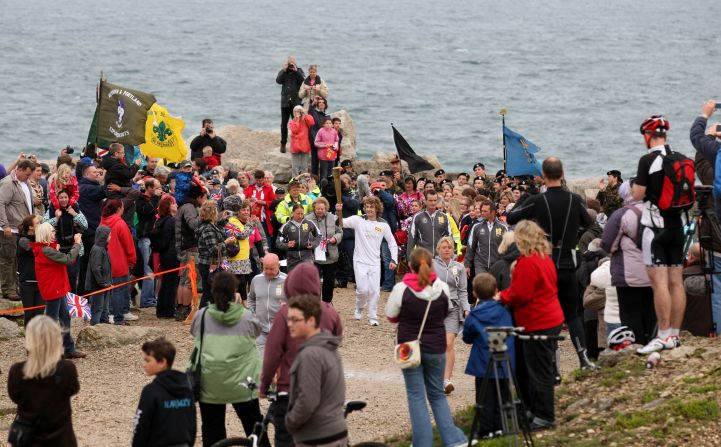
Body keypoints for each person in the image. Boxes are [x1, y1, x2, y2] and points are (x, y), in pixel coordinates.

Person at [507, 157, 597, 369]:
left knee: (547, 312)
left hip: (544, 263)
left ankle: (551, 364)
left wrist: (525, 197)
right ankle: (583, 359)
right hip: (568, 262)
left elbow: (511, 218)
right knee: (572, 314)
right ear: (562, 174)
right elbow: (590, 222)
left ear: (543, 177)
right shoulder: (575, 200)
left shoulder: (538, 200)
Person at [386, 247, 467, 447]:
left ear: (410, 266)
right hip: (436, 345)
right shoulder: (441, 287)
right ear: (431, 265)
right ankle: (454, 440)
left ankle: (422, 443)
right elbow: (445, 311)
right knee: (437, 395)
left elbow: (391, 316)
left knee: (415, 395)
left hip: (407, 346)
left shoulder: (401, 289)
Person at [260, 263, 343, 447]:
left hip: (291, 388)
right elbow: (337, 339)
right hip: (324, 388)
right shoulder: (329, 311)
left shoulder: (285, 313)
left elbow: (272, 353)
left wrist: (264, 385)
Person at [498, 220, 565, 431]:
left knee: (540, 370)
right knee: (541, 367)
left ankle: (544, 415)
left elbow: (521, 293)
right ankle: (537, 411)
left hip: (539, 320)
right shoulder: (544, 258)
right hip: (549, 316)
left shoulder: (528, 261)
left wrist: (501, 296)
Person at [190, 271, 269, 447]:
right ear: (235, 291)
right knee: (254, 424)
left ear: (212, 290)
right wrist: (240, 306)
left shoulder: (202, 315)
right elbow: (256, 332)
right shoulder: (246, 315)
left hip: (211, 380)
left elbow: (194, 332)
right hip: (242, 379)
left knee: (212, 427)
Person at [633, 115, 687, 354]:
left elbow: (637, 195)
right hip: (679, 227)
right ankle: (675, 334)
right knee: (677, 282)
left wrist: (637, 183)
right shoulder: (680, 158)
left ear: (648, 136)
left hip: (655, 229)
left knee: (660, 284)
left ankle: (662, 334)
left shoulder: (648, 160)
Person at [285, 294, 348, 447]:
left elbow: (308, 400)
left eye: (295, 319)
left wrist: (290, 421)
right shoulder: (328, 345)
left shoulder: (310, 354)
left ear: (311, 320)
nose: (289, 324)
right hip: (335, 430)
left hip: (318, 436)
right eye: (289, 319)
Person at [8, 316, 80, 446]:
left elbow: (15, 397)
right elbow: (73, 389)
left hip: (28, 438)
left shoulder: (17, 371)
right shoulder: (67, 369)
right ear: (56, 338)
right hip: (62, 439)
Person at [600, 181, 656, 345]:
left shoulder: (622, 214)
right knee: (652, 314)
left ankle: (636, 352)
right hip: (654, 273)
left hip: (628, 276)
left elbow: (607, 244)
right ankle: (654, 347)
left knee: (630, 317)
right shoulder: (657, 211)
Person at [462, 273, 514, 438]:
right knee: (503, 395)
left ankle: (486, 429)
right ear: (496, 291)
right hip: (504, 359)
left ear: (475, 294)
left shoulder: (474, 315)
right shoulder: (505, 312)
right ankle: (501, 426)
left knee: (484, 397)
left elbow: (467, 337)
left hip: (483, 361)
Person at [30, 222, 86, 358]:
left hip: (57, 288)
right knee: (51, 321)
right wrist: (77, 244)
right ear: (46, 234)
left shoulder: (47, 248)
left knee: (64, 318)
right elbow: (68, 259)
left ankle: (68, 349)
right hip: (53, 289)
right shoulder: (46, 250)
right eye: (52, 231)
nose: (55, 233)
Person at [689, 99, 721, 334]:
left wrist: (706, 120)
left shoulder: (716, 154)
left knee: (718, 288)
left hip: (718, 239)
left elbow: (696, 137)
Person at [342, 196, 398, 326]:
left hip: (374, 263)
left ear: (377, 208)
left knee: (374, 291)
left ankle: (372, 316)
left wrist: (394, 259)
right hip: (360, 261)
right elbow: (341, 223)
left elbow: (392, 243)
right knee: (362, 290)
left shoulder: (383, 224)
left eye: (372, 207)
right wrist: (339, 211)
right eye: (367, 207)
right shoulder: (358, 220)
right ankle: (360, 307)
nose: (369, 209)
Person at [131, 337, 196, 447]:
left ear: (162, 362)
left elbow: (141, 425)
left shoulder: (151, 391)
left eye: (148, 360)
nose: (144, 364)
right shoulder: (186, 386)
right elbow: (192, 423)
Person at [433, 236, 470, 395]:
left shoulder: (459, 267)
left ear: (453, 249)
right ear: (438, 250)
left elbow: (463, 291)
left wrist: (466, 308)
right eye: (444, 247)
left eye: (449, 247)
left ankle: (446, 380)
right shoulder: (431, 265)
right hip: (434, 307)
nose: (447, 249)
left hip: (453, 308)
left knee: (448, 343)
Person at [0, 158, 36, 301]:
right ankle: (7, 289)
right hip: (9, 229)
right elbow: (0, 203)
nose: (28, 177)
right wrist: (5, 225)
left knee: (15, 260)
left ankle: (13, 286)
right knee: (7, 260)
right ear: (19, 169)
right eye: (27, 174)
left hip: (20, 229)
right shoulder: (8, 183)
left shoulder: (24, 182)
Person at [100, 199, 137, 325]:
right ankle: (118, 316)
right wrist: (132, 259)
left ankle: (110, 314)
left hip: (105, 262)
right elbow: (129, 244)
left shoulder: (102, 223)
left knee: (109, 290)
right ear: (119, 209)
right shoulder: (120, 224)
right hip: (119, 262)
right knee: (119, 291)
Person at [195, 200, 234, 308]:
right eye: (216, 210)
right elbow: (213, 249)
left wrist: (223, 220)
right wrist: (226, 242)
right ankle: (203, 316)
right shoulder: (207, 229)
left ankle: (208, 316)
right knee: (209, 293)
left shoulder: (209, 225)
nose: (218, 212)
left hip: (215, 263)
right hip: (210, 264)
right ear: (212, 212)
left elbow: (216, 228)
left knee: (213, 292)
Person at [247, 253, 287, 356]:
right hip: (261, 332)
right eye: (266, 268)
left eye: (272, 269)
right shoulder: (256, 280)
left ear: (278, 265)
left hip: (281, 332)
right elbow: (251, 298)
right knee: (262, 366)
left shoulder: (287, 280)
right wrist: (252, 313)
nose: (268, 272)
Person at [76, 163, 106, 296]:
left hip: (88, 230)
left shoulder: (85, 186)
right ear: (87, 174)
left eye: (99, 172)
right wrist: (107, 178)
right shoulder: (86, 187)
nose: (98, 174)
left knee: (86, 265)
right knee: (90, 265)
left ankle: (85, 294)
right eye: (95, 173)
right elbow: (104, 191)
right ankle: (86, 295)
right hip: (90, 232)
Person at [222, 196, 260, 300]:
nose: (246, 212)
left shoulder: (241, 222)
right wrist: (251, 224)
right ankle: (236, 308)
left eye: (248, 210)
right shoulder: (231, 221)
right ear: (237, 211)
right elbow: (242, 235)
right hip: (233, 260)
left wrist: (252, 224)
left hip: (243, 259)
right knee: (237, 286)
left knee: (243, 284)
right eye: (243, 209)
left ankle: (242, 309)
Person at [307, 197, 342, 303]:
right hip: (314, 256)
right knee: (314, 280)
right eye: (317, 209)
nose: (320, 211)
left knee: (329, 281)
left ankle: (327, 302)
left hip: (330, 254)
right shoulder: (307, 219)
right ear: (314, 208)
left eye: (322, 209)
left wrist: (334, 239)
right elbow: (304, 234)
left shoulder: (333, 218)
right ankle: (315, 302)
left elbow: (340, 232)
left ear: (326, 208)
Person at [151, 195, 179, 319]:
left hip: (164, 255)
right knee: (171, 283)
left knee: (166, 282)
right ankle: (168, 310)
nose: (176, 205)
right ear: (168, 206)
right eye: (174, 203)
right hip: (171, 255)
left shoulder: (161, 220)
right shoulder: (171, 221)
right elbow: (169, 239)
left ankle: (162, 309)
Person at [465, 200, 508, 277]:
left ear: (493, 212)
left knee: (494, 288)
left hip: (497, 265)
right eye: (481, 211)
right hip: (480, 264)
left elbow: (507, 247)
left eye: (485, 211)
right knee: (482, 287)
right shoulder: (476, 226)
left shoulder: (503, 227)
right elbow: (470, 247)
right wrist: (467, 265)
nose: (482, 213)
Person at [136, 178, 161, 308]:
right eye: (156, 188)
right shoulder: (141, 199)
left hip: (154, 238)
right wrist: (156, 198)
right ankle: (146, 300)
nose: (159, 190)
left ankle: (150, 298)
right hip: (145, 237)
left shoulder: (155, 199)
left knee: (153, 269)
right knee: (148, 270)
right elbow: (147, 211)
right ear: (149, 187)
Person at [406, 190, 452, 256]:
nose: (433, 203)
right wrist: (409, 258)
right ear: (425, 201)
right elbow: (411, 238)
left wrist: (451, 256)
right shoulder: (417, 217)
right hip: (423, 257)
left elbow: (449, 238)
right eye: (430, 200)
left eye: (435, 200)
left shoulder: (444, 217)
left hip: (439, 258)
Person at [276, 204, 320, 272]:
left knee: (307, 278)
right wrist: (287, 245)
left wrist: (313, 244)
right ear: (293, 213)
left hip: (307, 256)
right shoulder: (286, 226)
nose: (300, 216)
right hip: (292, 258)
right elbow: (278, 242)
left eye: (302, 213)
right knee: (293, 280)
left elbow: (319, 236)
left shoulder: (309, 223)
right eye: (298, 213)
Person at [17, 215, 44, 325]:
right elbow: (35, 250)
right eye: (38, 223)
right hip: (27, 282)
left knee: (39, 314)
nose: (40, 225)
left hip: (41, 282)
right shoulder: (23, 240)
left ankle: (38, 340)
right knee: (29, 314)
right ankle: (29, 340)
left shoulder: (40, 239)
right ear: (30, 227)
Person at [277, 56, 306, 153]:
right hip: (285, 102)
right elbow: (278, 80)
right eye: (289, 63)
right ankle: (283, 143)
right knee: (283, 124)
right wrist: (283, 70)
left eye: (292, 63)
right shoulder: (283, 72)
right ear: (287, 63)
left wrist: (296, 70)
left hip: (296, 102)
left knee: (298, 123)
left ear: (295, 63)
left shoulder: (299, 71)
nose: (291, 65)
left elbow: (303, 81)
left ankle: (298, 144)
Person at [85, 225, 112, 326]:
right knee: (98, 308)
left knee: (105, 308)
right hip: (98, 286)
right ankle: (94, 327)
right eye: (109, 235)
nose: (111, 237)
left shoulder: (103, 249)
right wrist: (103, 283)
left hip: (105, 285)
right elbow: (96, 269)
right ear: (103, 236)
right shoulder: (97, 249)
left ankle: (104, 325)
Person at [289, 106, 316, 177]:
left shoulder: (306, 120)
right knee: (295, 167)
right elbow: (295, 130)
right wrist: (297, 120)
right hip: (295, 147)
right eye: (295, 112)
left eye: (298, 111)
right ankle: (295, 182)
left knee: (304, 167)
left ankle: (304, 182)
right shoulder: (292, 122)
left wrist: (304, 113)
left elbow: (312, 122)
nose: (297, 113)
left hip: (305, 146)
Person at [308, 97, 330, 176]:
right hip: (315, 141)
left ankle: (323, 182)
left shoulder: (327, 117)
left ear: (325, 105)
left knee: (324, 164)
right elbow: (310, 110)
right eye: (319, 102)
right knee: (314, 164)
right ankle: (314, 182)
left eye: (323, 102)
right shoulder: (314, 113)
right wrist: (313, 102)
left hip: (324, 144)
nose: (321, 103)